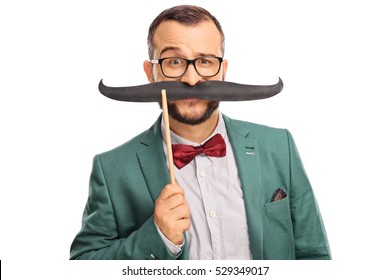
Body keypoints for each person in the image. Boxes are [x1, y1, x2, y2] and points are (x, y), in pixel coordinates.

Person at [70, 5, 331, 260]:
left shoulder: (278, 146)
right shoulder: (112, 168)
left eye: (205, 61)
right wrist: (157, 237)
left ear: (223, 71)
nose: (192, 79)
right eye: (174, 61)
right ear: (151, 73)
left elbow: (314, 255)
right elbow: (84, 263)